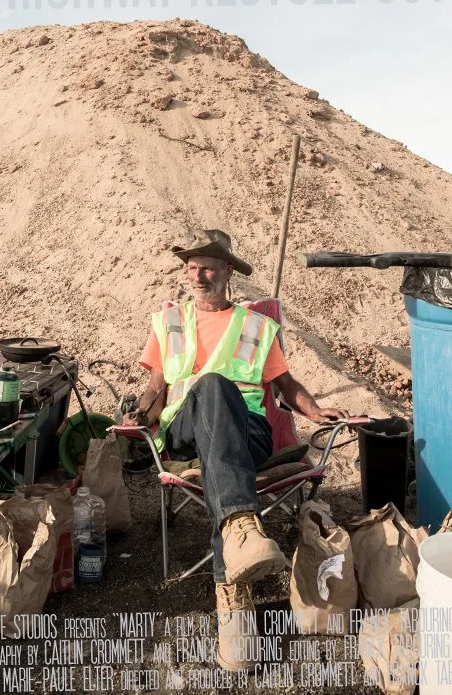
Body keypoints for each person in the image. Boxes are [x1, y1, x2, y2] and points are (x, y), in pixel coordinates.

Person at [123, 228, 350, 670]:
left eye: (207, 265)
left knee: (219, 448)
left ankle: (234, 564)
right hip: (185, 429)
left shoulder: (256, 326)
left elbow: (285, 386)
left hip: (250, 432)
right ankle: (242, 531)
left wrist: (315, 408)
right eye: (191, 266)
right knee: (211, 387)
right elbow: (155, 387)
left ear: (228, 271)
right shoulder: (170, 323)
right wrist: (142, 413)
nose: (198, 274)